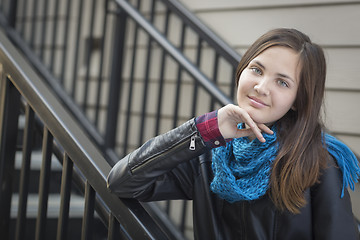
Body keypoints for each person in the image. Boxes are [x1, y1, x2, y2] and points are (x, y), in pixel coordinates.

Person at [107, 28, 360, 239]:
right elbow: (122, 182)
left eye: (282, 82)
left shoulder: (319, 162)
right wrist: (207, 130)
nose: (261, 87)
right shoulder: (208, 155)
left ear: (297, 99)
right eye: (257, 70)